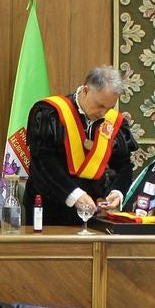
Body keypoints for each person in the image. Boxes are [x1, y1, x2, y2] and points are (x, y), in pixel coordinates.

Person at [23, 66, 137, 226]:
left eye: (109, 107)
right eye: (100, 105)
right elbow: (42, 162)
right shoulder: (51, 113)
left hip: (91, 213)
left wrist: (117, 192)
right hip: (48, 210)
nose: (104, 113)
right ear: (85, 90)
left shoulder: (114, 122)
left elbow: (123, 165)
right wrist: (74, 195)